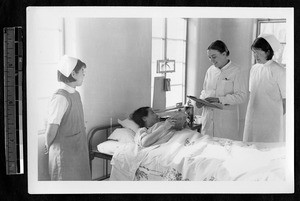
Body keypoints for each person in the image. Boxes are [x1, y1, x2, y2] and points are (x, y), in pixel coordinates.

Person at [44, 55, 91, 180]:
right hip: (64, 153)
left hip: (78, 149)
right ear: (74, 74)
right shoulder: (60, 97)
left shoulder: (76, 94)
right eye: (82, 72)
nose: (84, 75)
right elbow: (51, 129)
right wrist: (48, 146)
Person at [196, 40, 247, 140]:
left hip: (225, 121)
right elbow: (204, 91)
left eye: (214, 57)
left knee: (224, 150)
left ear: (224, 54)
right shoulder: (210, 70)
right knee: (207, 149)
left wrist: (220, 99)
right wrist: (200, 100)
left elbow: (242, 96)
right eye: (209, 57)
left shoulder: (237, 71)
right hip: (208, 119)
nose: (211, 60)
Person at [243, 34, 286, 142]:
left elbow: (286, 99)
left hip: (271, 119)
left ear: (267, 52)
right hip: (253, 116)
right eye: (254, 52)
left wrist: (278, 118)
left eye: (258, 52)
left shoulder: (279, 70)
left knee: (268, 147)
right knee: (251, 145)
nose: (255, 55)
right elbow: (252, 94)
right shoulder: (254, 69)